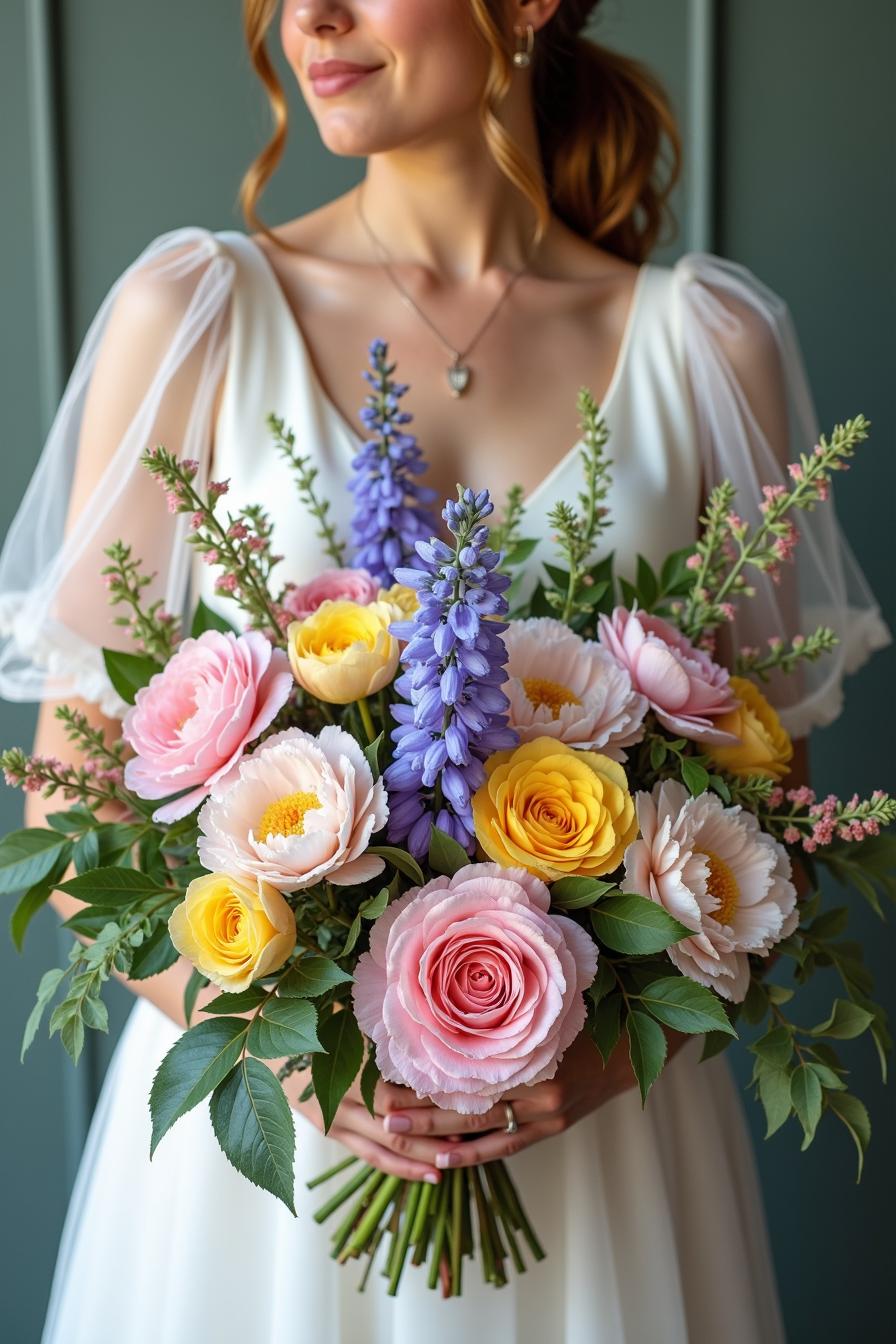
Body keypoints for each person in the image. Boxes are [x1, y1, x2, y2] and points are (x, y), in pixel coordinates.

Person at [0, 2, 890, 1341]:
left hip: (596, 1156)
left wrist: (594, 1064)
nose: (313, 15)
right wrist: (293, 1053)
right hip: (275, 1180)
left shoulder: (710, 345)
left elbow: (770, 838)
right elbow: (70, 815)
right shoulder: (189, 312)